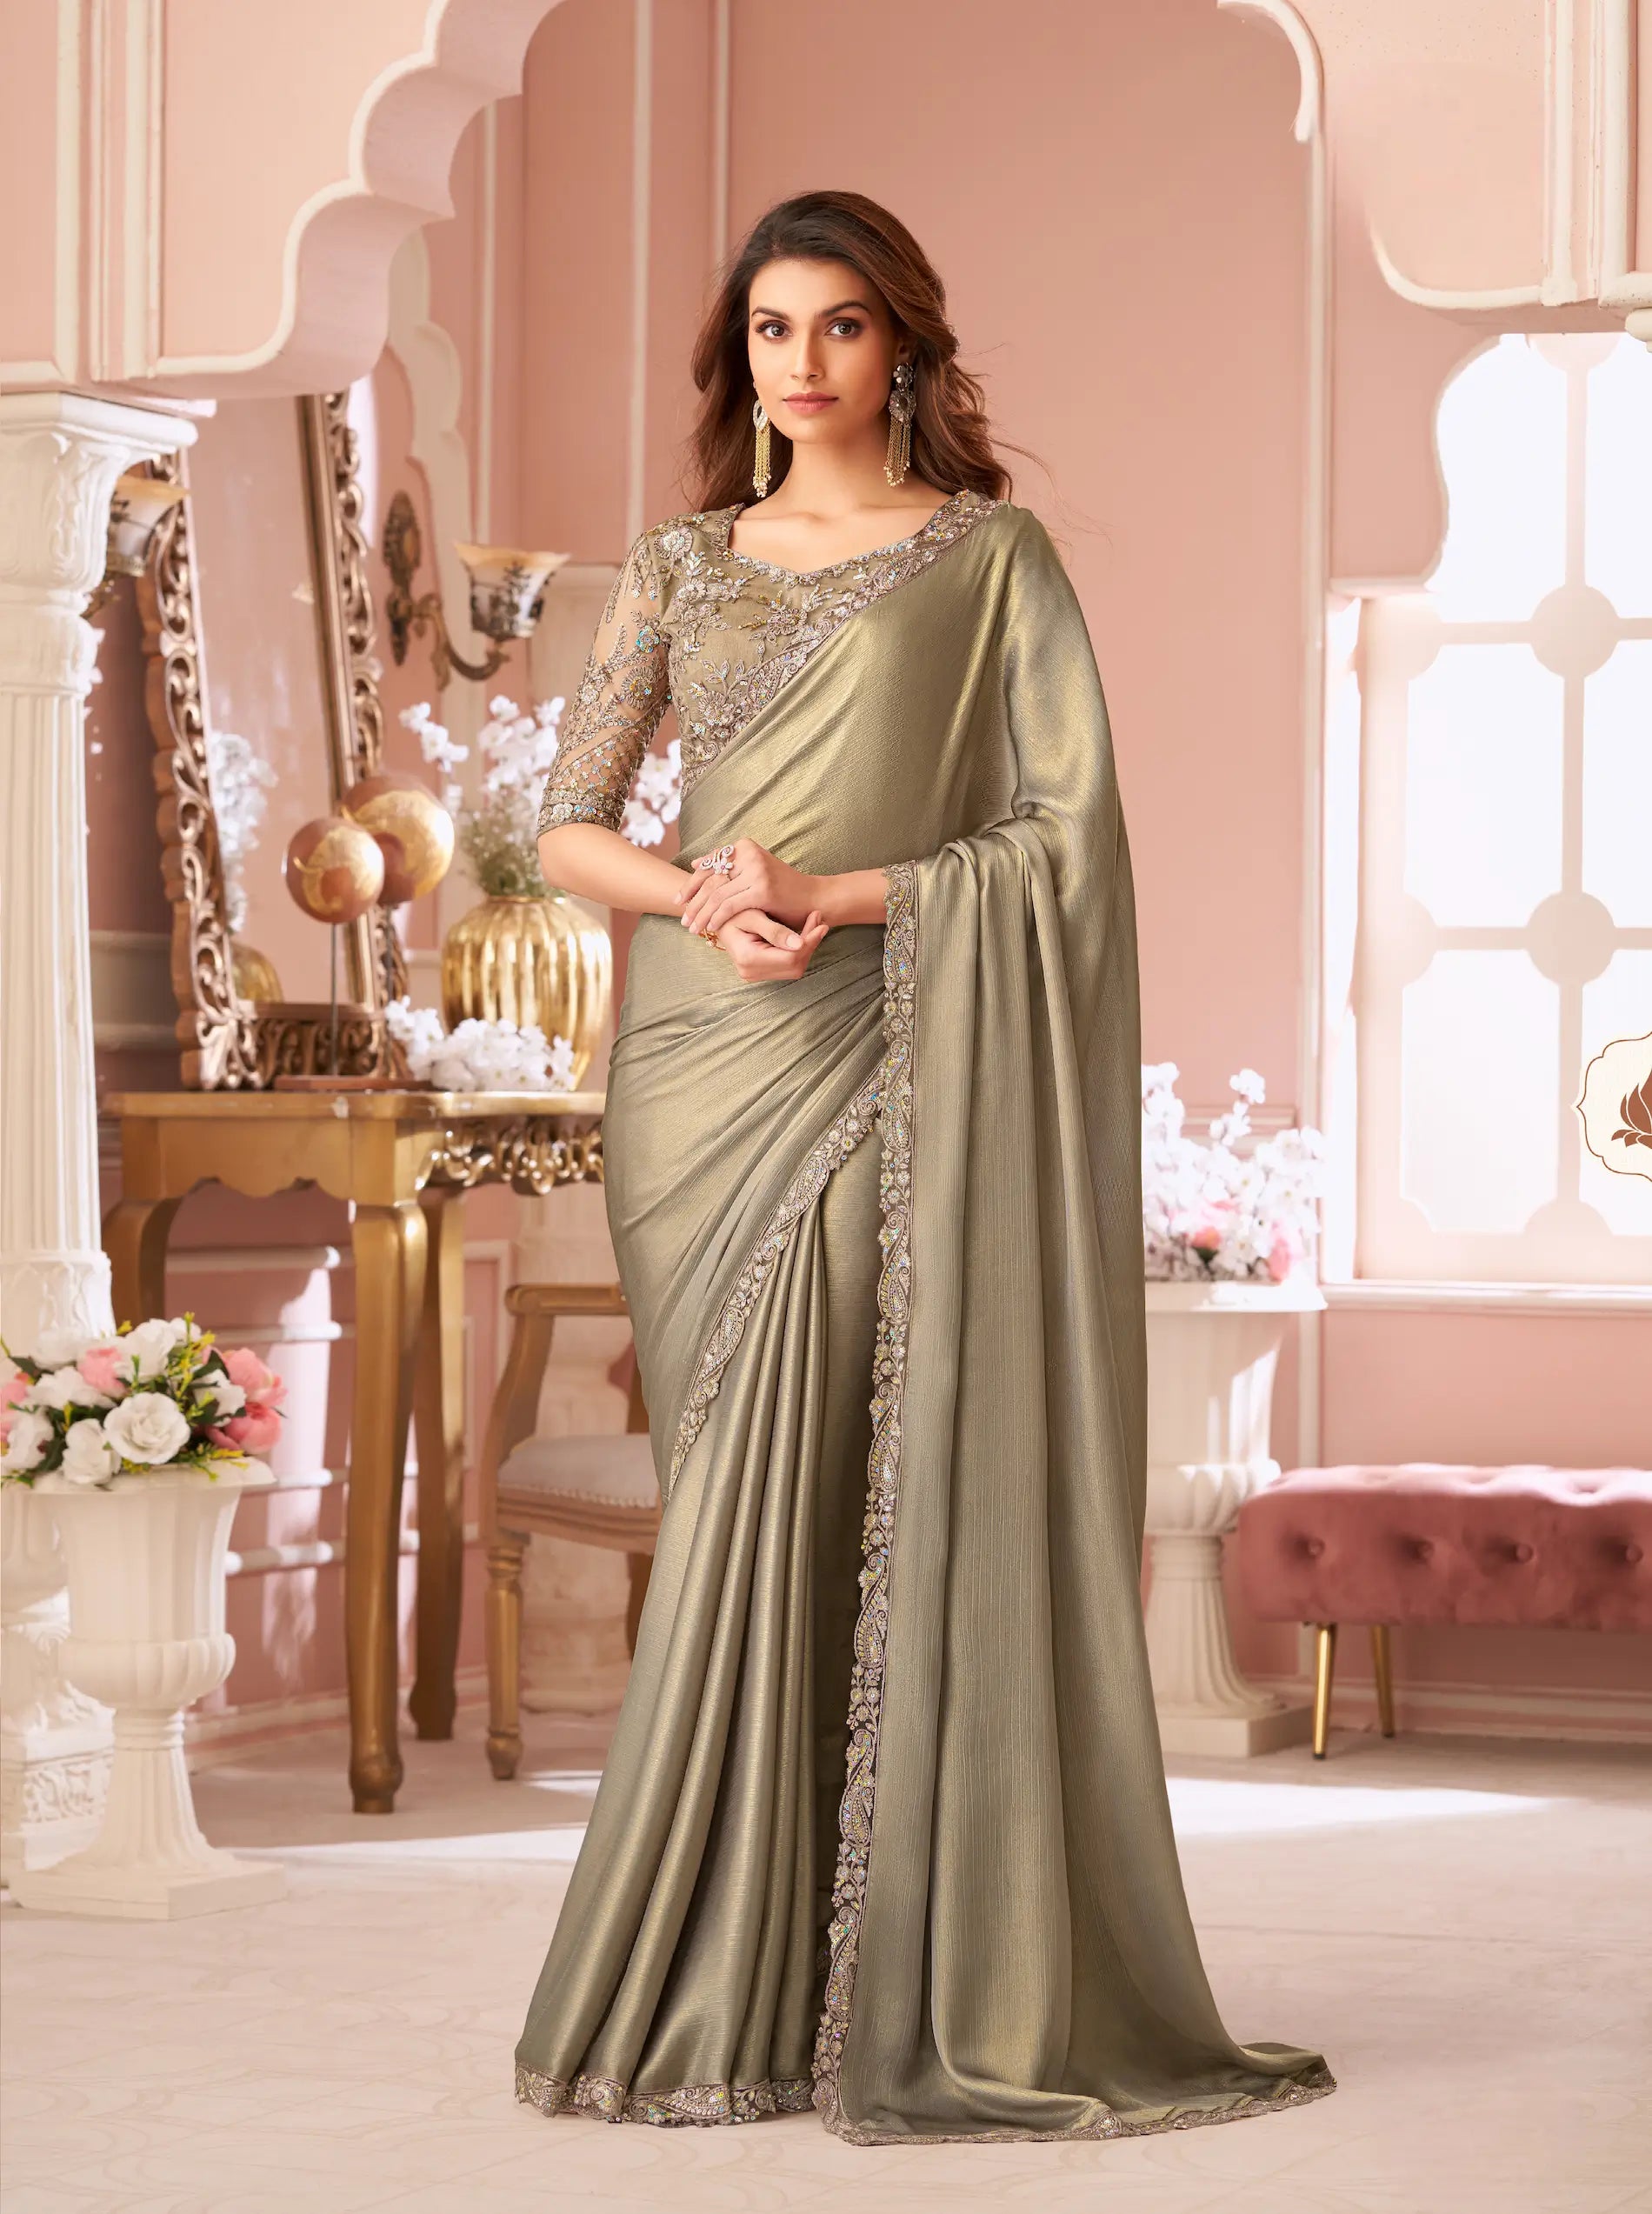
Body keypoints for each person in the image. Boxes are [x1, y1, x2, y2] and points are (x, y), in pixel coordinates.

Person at [515, 188, 1333, 2146]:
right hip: (696, 1068)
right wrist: (705, 903)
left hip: (885, 1045)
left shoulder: (985, 559)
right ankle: (717, 1980)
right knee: (734, 1487)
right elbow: (564, 826)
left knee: (850, 1486)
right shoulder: (680, 564)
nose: (801, 363)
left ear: (904, 348)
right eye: (771, 328)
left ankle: (867, 1976)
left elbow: (1062, 840)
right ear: (739, 355)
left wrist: (832, 890)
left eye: (841, 325)